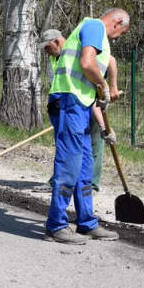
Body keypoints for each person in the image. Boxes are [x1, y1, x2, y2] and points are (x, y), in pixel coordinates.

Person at [44, 8, 130, 245]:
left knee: (85, 166)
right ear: (118, 21)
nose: (118, 37)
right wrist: (103, 86)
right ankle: (56, 225)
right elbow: (87, 63)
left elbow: (91, 80)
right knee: (70, 163)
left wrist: (104, 127)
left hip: (79, 103)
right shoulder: (94, 26)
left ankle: (87, 222)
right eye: (122, 32)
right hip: (68, 103)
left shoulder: (95, 34)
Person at [33, 29, 119, 193]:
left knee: (94, 143)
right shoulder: (56, 59)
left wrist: (112, 87)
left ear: (57, 42)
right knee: (67, 146)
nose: (46, 52)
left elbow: (110, 61)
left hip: (90, 102)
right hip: (71, 106)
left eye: (47, 47)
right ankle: (60, 182)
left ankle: (90, 185)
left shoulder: (76, 52)